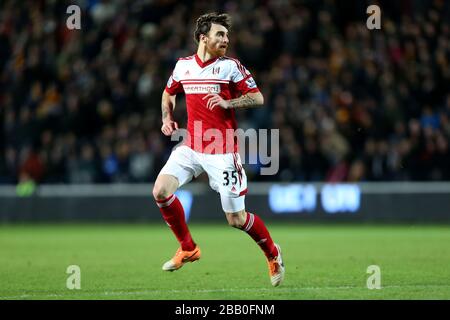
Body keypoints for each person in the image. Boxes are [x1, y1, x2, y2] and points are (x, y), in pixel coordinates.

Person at [152, 12, 285, 286]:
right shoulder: (182, 66)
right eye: (220, 35)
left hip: (222, 150)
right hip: (191, 144)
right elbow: (169, 93)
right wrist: (167, 118)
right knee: (161, 191)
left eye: (226, 35)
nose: (226, 39)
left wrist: (229, 104)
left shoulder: (231, 67)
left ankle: (272, 253)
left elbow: (257, 97)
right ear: (204, 38)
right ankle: (188, 247)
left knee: (236, 218)